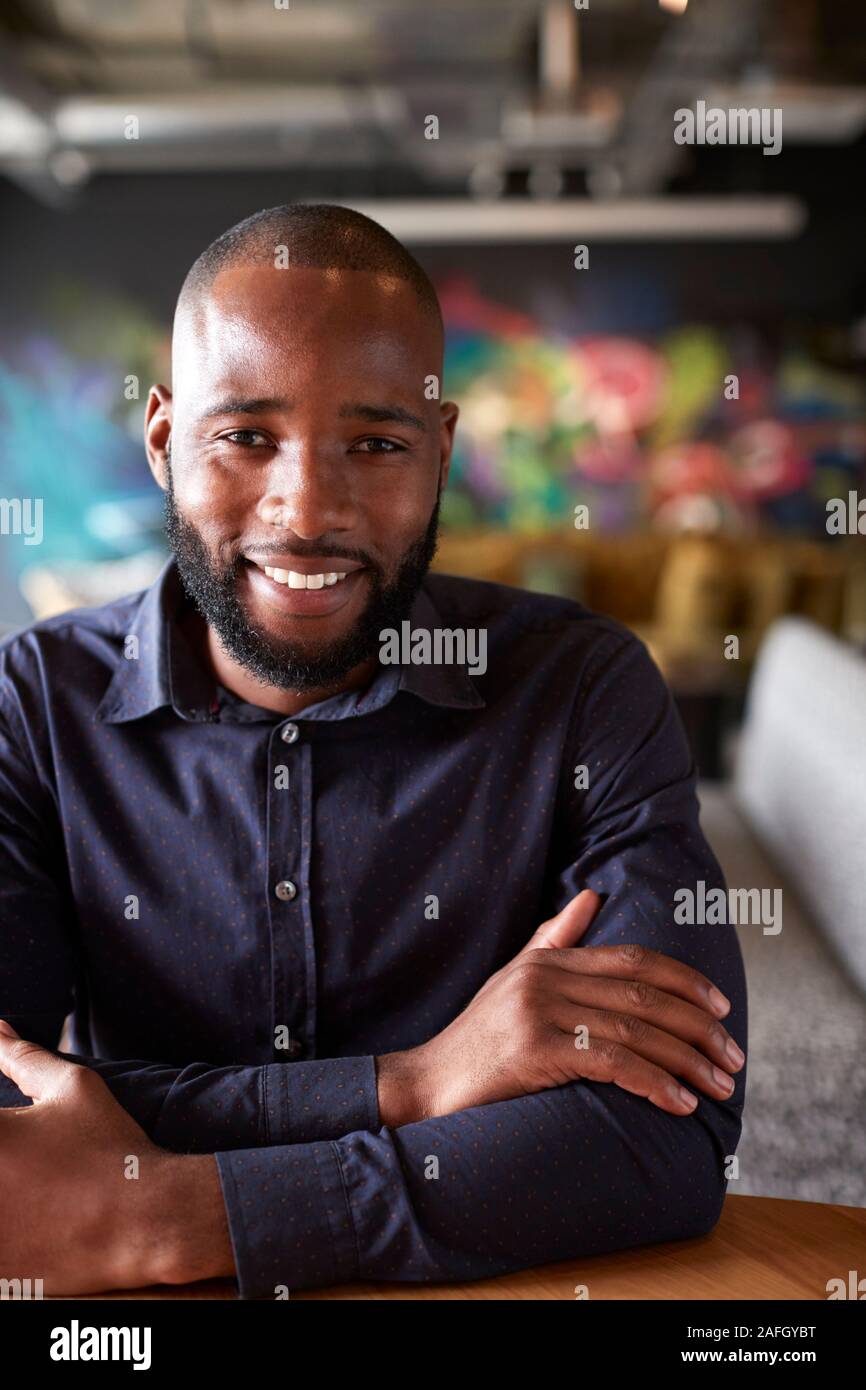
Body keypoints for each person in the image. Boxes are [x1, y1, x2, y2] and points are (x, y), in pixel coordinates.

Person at [0, 204, 746, 1297]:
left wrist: (175, 1211)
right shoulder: (32, 704)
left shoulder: (583, 692)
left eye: (376, 442)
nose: (307, 508)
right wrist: (422, 1080)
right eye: (245, 436)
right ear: (162, 441)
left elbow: (667, 1142)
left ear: (439, 450)